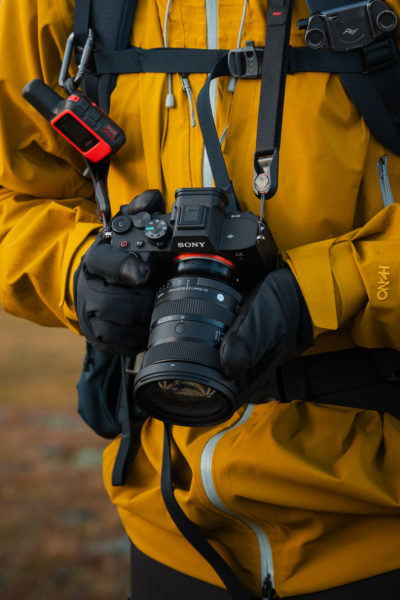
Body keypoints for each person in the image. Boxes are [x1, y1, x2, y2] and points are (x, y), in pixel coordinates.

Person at [1, 0, 400, 598]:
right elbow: (16, 194)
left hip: (380, 524)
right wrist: (79, 270)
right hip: (171, 529)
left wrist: (330, 289)